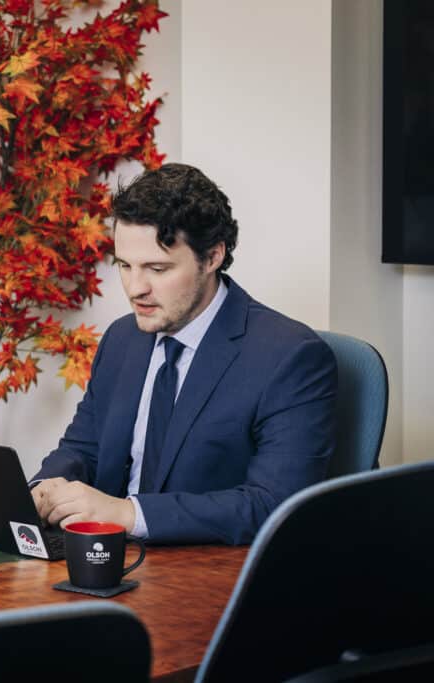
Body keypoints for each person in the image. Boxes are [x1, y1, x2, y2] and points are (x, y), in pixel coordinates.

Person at [30, 164, 337, 545]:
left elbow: (273, 505)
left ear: (212, 258)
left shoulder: (290, 358)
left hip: (208, 576)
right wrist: (44, 490)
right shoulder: (122, 339)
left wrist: (128, 514)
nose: (135, 287)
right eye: (125, 266)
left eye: (157, 268)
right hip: (104, 563)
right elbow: (84, 448)